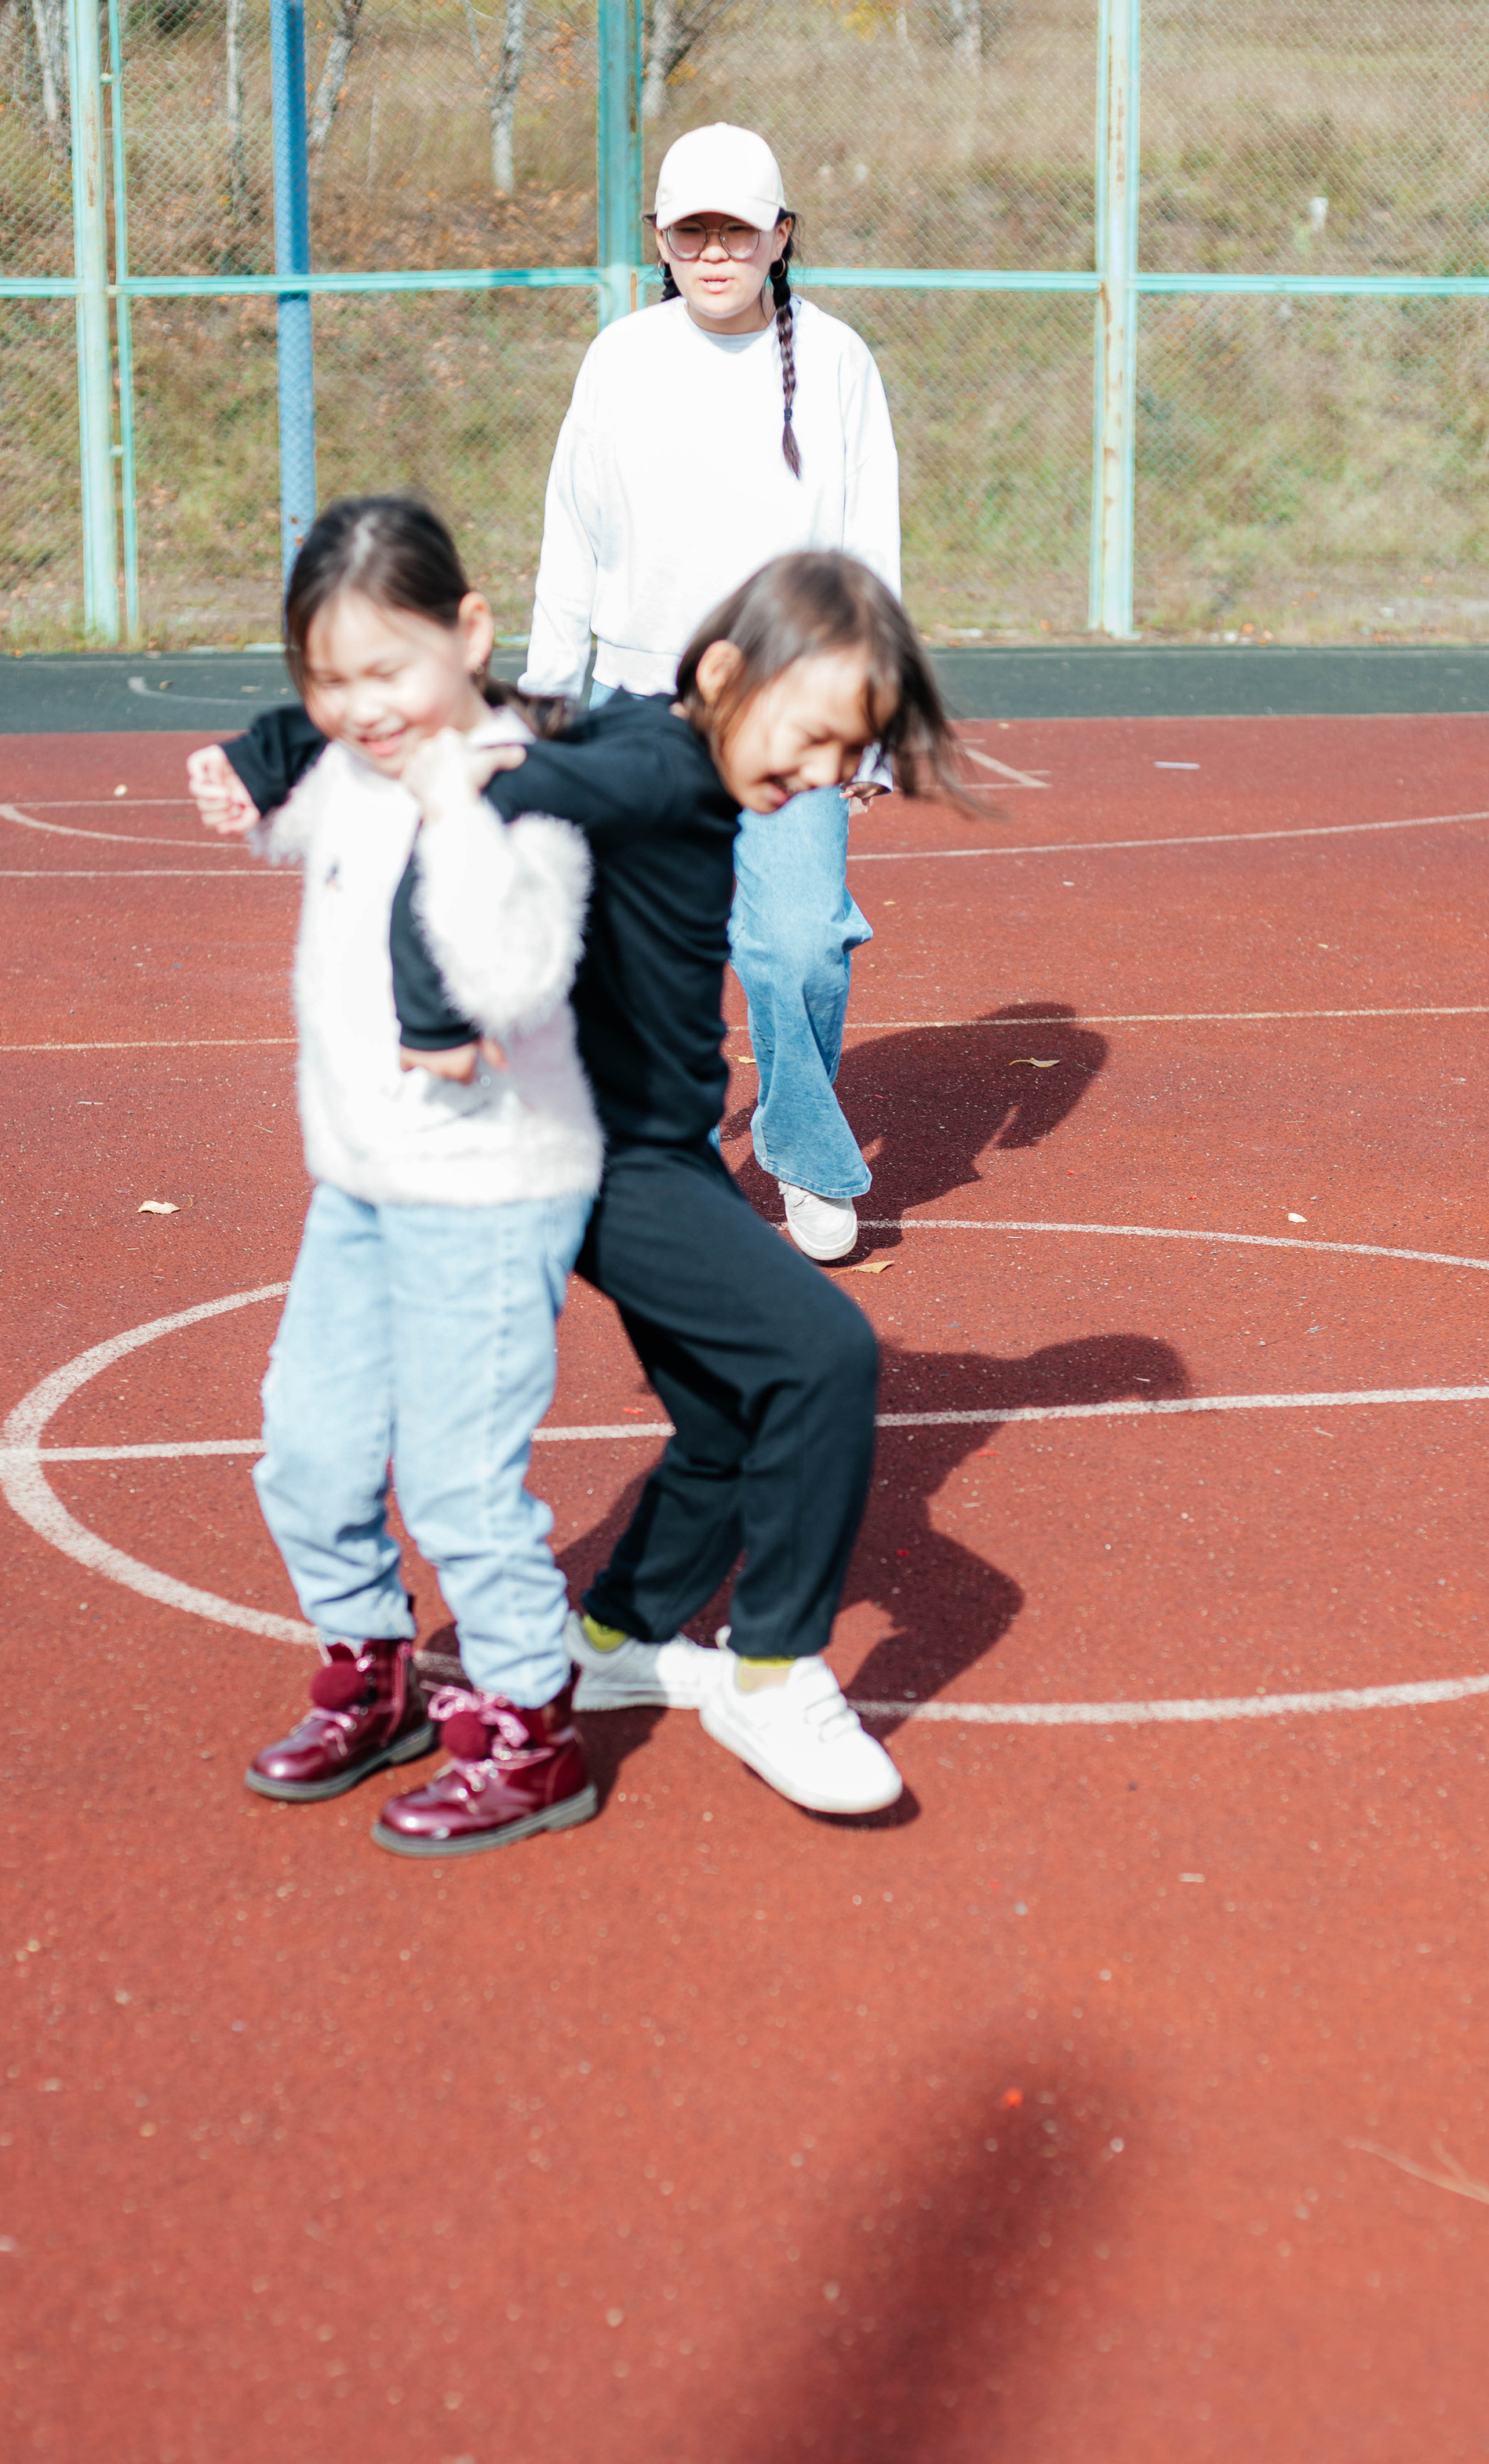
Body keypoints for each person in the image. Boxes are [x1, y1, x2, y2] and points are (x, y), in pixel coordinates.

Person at [214, 552, 970, 1820]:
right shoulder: (656, 769)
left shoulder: (631, 731)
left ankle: (615, 1641)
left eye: (855, 751)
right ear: (724, 674)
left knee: (726, 1419)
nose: (829, 773)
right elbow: (477, 788)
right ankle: (775, 1673)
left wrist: (271, 746)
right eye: (817, 737)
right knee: (826, 1358)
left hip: (661, 1148)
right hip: (618, 1165)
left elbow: (473, 717)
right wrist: (433, 1006)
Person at [186, 495, 603, 1860]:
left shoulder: (521, 785)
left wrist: (450, 806)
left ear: (470, 634)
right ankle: (373, 1669)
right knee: (306, 1450)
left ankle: (530, 1729)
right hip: (360, 1182)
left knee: (458, 1479)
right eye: (328, 680)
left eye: (387, 670)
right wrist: (246, 774)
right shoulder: (352, 768)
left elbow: (516, 980)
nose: (362, 708)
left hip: (491, 1190)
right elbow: (289, 817)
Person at [520, 121, 901, 1267]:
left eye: (738, 230)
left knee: (798, 945)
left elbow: (869, 548)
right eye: (692, 232)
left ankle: (805, 1153)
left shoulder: (836, 360)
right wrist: (546, 702)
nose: (715, 253)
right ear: (660, 240)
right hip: (642, 709)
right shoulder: (620, 359)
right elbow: (571, 537)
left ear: (782, 235)